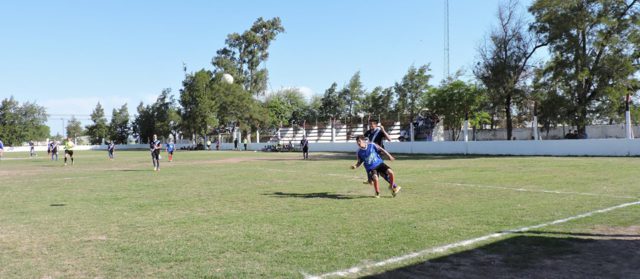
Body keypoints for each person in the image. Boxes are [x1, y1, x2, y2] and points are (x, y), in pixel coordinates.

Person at [363, 120, 392, 184]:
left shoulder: (380, 132)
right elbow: (363, 140)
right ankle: (393, 186)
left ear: (376, 125)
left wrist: (383, 130)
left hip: (379, 153)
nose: (370, 125)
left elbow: (389, 139)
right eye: (370, 124)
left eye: (372, 124)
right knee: (378, 171)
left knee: (376, 170)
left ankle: (371, 179)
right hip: (372, 153)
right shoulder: (368, 132)